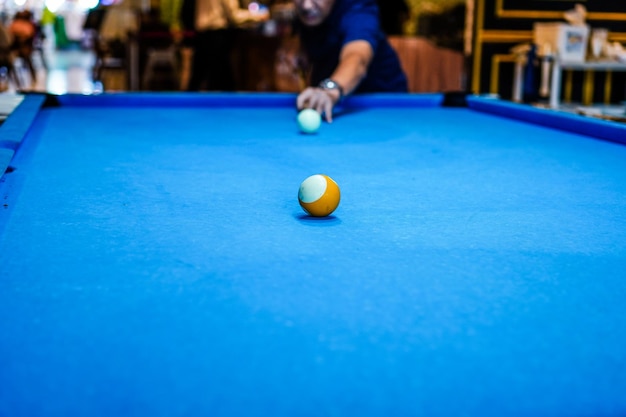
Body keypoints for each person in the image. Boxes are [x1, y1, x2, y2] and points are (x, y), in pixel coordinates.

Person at [294, 0, 408, 122]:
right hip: (331, 102)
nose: (306, 5)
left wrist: (330, 88)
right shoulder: (308, 15)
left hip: (384, 103)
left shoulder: (359, 9)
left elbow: (357, 57)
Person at [182, 0, 269, 91]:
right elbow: (234, 16)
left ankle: (186, 103)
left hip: (201, 35)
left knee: (197, 78)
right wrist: (259, 15)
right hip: (217, 36)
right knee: (222, 80)